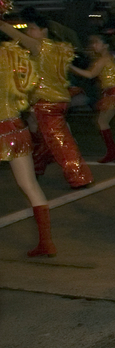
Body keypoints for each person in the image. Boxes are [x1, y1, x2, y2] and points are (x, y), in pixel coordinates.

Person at [0, 10, 93, 188]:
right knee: (44, 136)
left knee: (59, 140)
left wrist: (3, 23)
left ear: (44, 30)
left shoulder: (39, 47)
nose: (29, 32)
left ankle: (78, 176)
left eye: (32, 28)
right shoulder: (59, 48)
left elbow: (12, 33)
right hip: (58, 100)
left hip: (47, 102)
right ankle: (37, 166)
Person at [1, 39, 56, 256]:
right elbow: (29, 85)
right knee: (30, 185)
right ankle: (47, 243)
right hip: (15, 126)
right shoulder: (13, 54)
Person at [70, 32, 115, 163]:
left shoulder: (103, 59)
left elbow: (90, 74)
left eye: (97, 42)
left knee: (102, 122)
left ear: (105, 45)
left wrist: (71, 67)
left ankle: (113, 152)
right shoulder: (112, 56)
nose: (94, 45)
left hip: (112, 94)